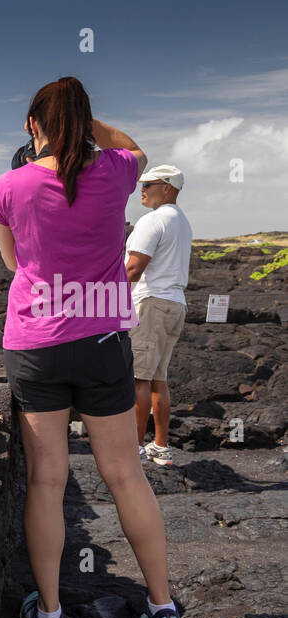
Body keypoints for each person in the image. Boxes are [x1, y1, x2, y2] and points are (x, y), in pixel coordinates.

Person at [0, 76, 185, 618]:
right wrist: (83, 123)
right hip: (103, 341)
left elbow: (11, 260)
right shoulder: (116, 172)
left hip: (37, 341)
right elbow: (137, 149)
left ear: (31, 126)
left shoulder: (9, 186)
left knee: (47, 480)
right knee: (126, 474)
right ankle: (163, 609)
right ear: (85, 123)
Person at [126, 165, 192, 465]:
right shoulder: (182, 221)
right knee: (158, 379)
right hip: (176, 304)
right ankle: (160, 446)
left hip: (151, 303)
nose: (141, 189)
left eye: (147, 184)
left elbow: (133, 269)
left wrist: (104, 300)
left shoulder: (153, 220)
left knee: (139, 377)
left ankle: (136, 448)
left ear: (166, 187)